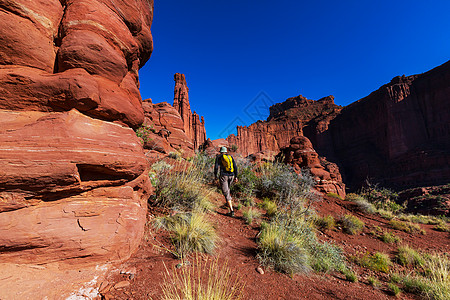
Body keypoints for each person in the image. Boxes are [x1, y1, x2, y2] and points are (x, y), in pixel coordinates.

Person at [214, 146, 238, 216]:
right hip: (232, 175)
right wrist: (236, 176)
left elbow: (216, 167)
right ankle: (228, 202)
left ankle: (231, 210)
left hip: (224, 176)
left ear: (220, 151)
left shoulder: (219, 157)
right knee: (228, 190)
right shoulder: (230, 156)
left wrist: (215, 175)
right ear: (226, 151)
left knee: (226, 192)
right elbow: (235, 167)